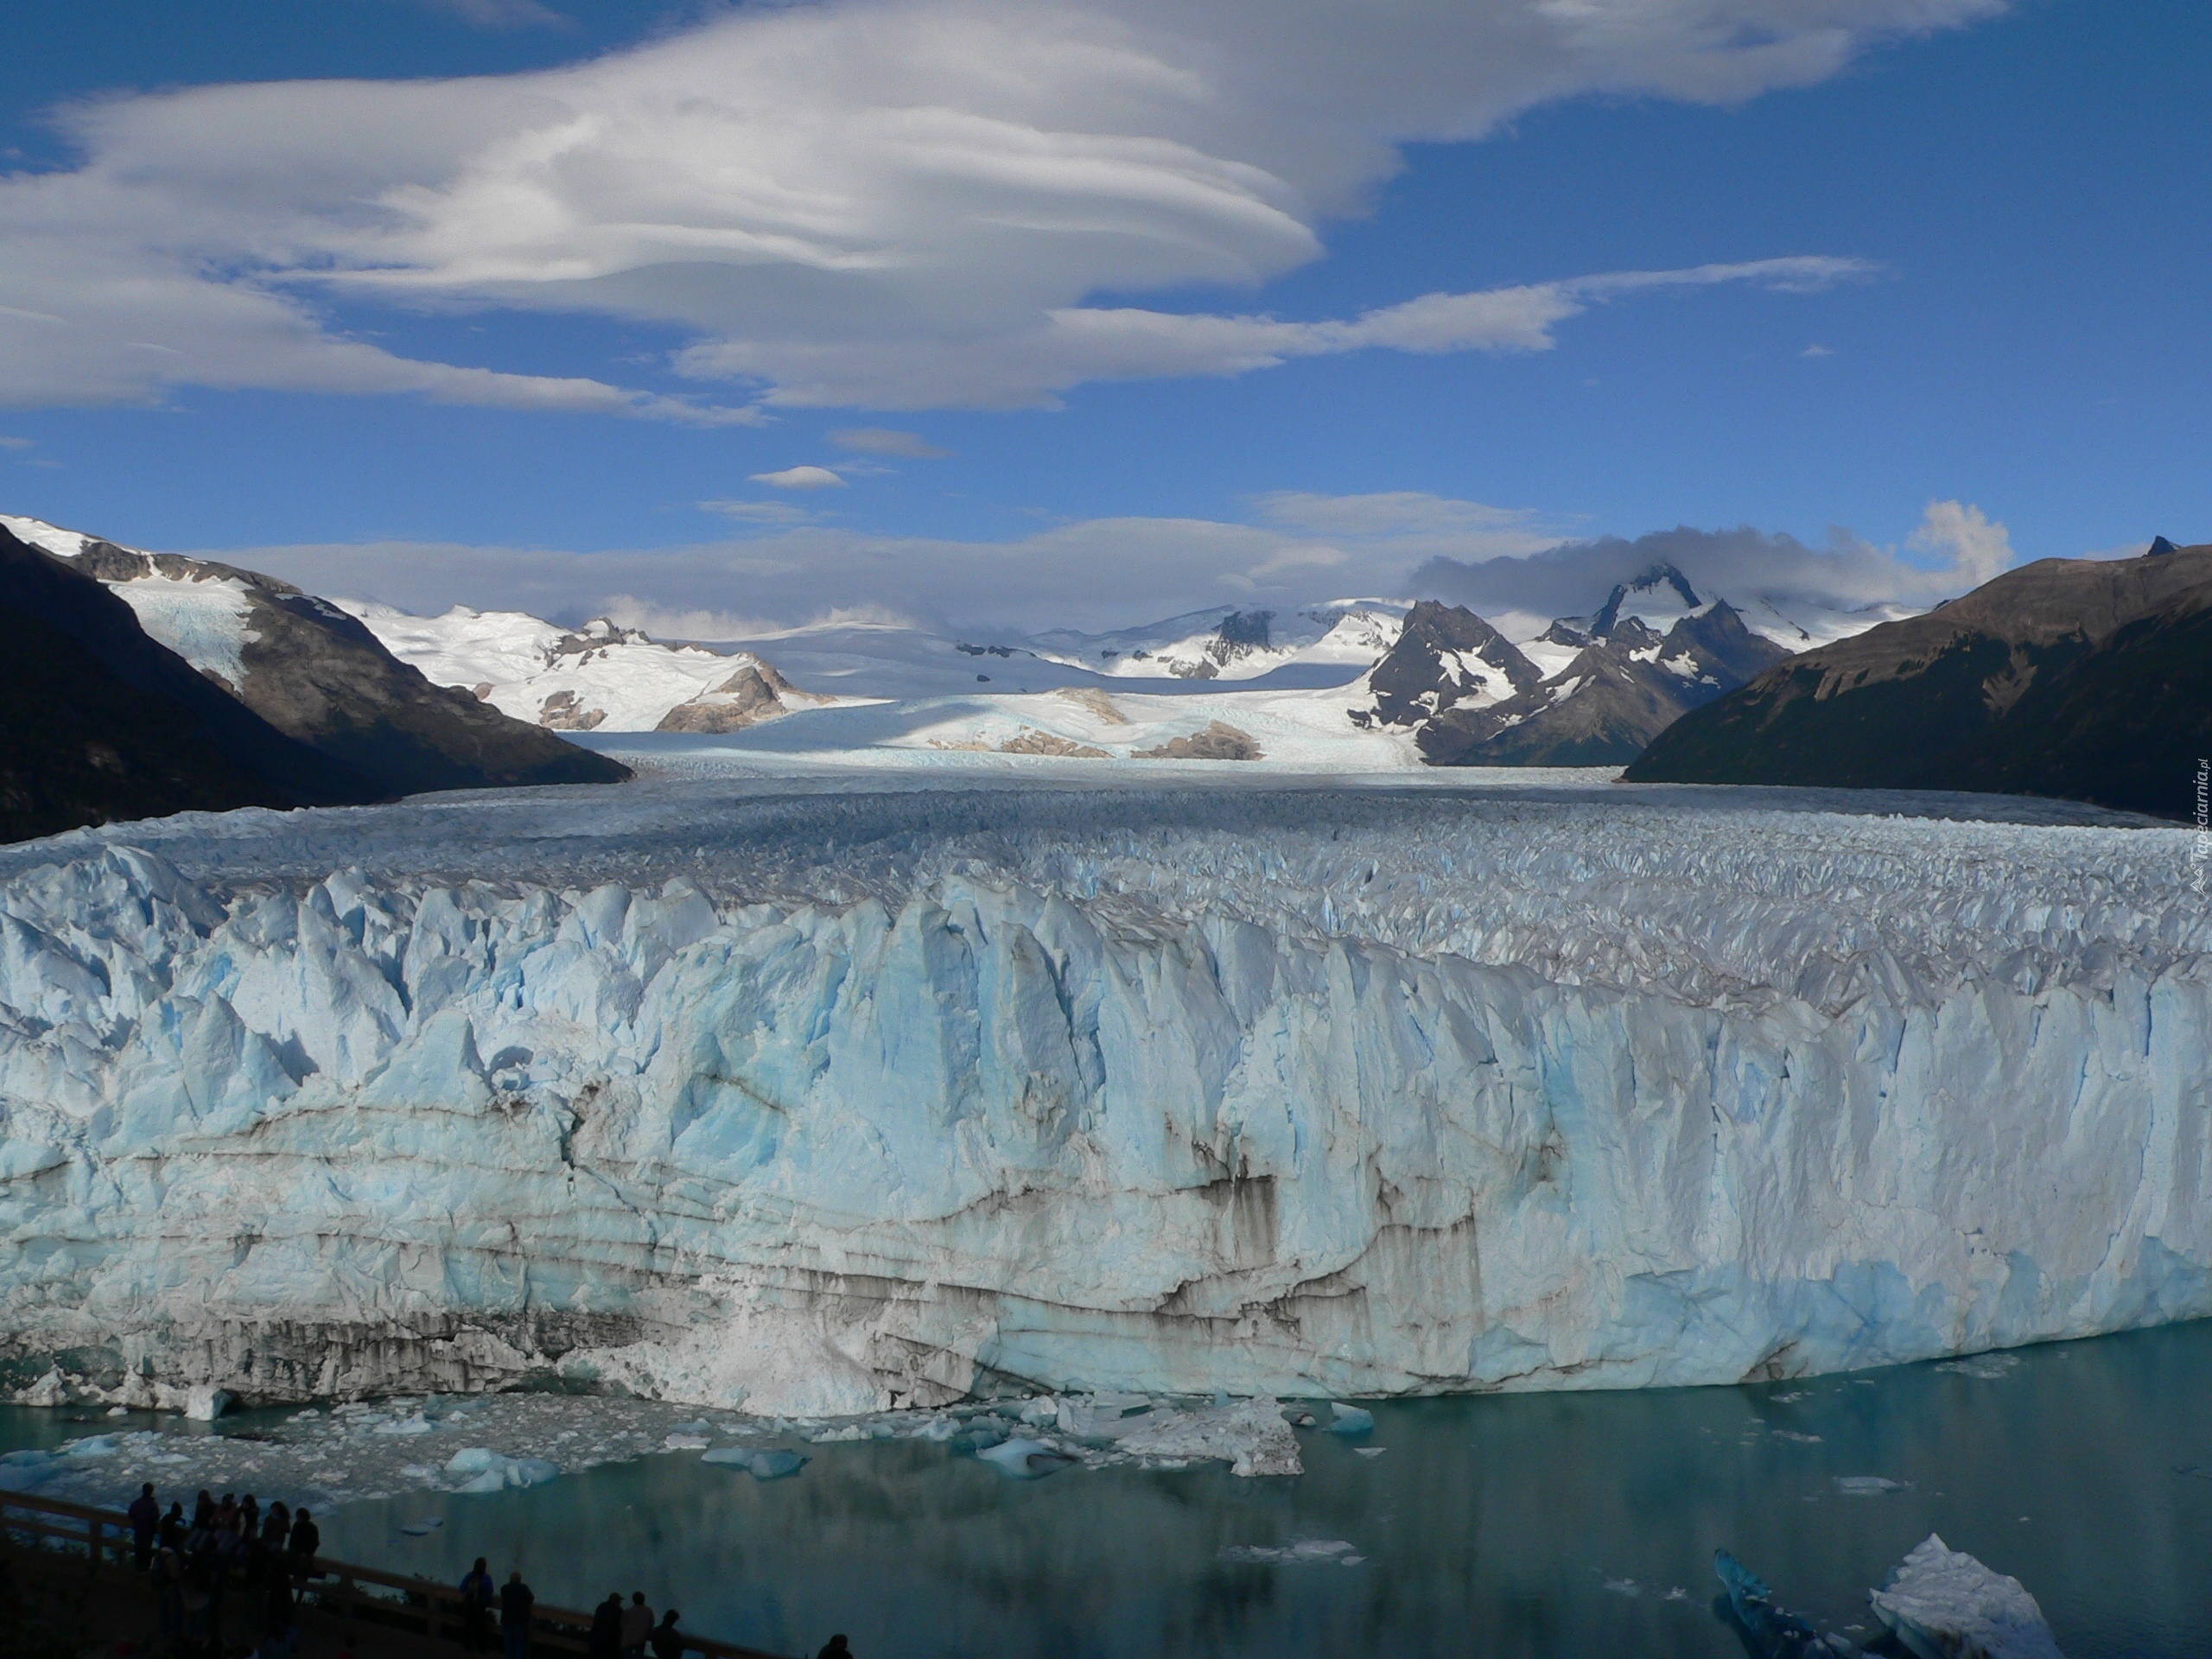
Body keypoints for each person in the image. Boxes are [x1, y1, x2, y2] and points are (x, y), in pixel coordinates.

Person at [460, 1557, 497, 1653]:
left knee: (468, 1624)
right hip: (480, 1605)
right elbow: (490, 1591)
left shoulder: (470, 1576)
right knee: (480, 1626)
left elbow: (462, 1588)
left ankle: (467, 1645)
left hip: (469, 1603)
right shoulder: (486, 1578)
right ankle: (481, 1647)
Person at [499, 1571, 535, 1659]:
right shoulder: (524, 1588)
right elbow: (531, 1599)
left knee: (508, 1645)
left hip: (507, 1621)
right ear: (519, 1580)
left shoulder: (505, 1588)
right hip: (520, 1621)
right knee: (519, 1645)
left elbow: (503, 1593)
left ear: (510, 1580)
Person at [127, 1482, 159, 1571]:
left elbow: (131, 1514)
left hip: (139, 1531)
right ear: (151, 1492)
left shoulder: (136, 1503)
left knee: (138, 1553)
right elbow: (156, 1517)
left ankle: (137, 1573)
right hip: (148, 1533)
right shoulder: (153, 1505)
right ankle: (145, 1574)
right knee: (146, 1554)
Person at [287, 1508, 320, 1580]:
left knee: (305, 1563)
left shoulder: (312, 1528)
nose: (298, 1519)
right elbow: (292, 1539)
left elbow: (314, 1543)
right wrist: (292, 1548)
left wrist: (307, 1552)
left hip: (307, 1552)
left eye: (299, 1517)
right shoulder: (296, 1526)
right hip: (296, 1550)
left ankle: (301, 1580)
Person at [589, 1592, 625, 1659]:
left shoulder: (601, 1606)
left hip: (596, 1638)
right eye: (619, 1601)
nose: (620, 1602)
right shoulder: (618, 1611)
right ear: (615, 1601)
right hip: (610, 1641)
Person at [620, 1592, 652, 1659]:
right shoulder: (648, 1610)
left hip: (628, 1639)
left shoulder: (628, 1611)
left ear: (633, 1600)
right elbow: (651, 1623)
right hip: (641, 1639)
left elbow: (621, 1624)